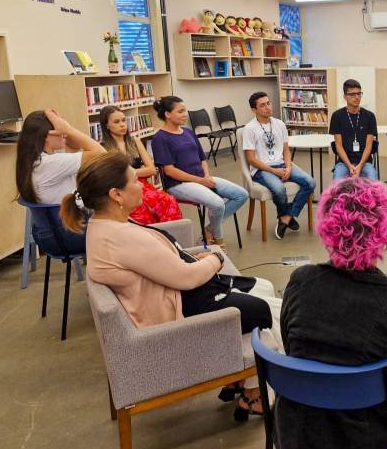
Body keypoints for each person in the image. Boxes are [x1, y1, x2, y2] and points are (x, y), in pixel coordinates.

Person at [63, 152, 282, 420]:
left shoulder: (105, 224)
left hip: (172, 294)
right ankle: (265, 389)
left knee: (263, 289)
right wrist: (215, 258)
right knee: (265, 310)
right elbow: (187, 279)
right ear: (116, 195)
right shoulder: (120, 237)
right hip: (181, 309)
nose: (144, 183)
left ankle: (247, 384)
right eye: (134, 180)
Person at [276, 178, 387, 449]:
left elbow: (291, 347)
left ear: (327, 226)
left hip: (295, 435)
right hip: (364, 441)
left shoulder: (300, 282)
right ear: (383, 231)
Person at [150, 96, 248, 246]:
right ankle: (217, 240)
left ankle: (209, 229)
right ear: (167, 115)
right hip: (178, 184)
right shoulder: (160, 138)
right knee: (217, 203)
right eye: (180, 111)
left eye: (185, 110)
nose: (185, 114)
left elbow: (202, 158)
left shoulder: (188, 132)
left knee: (241, 195)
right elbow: (169, 171)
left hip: (202, 178)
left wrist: (206, 176)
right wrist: (201, 181)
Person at [15, 109, 106, 255]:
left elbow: (75, 149)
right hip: (71, 235)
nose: (64, 133)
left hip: (52, 234)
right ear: (47, 135)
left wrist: (64, 131)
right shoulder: (49, 163)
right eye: (60, 128)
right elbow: (102, 155)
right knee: (125, 223)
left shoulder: (35, 161)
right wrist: (68, 130)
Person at [243, 91, 315, 240]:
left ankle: (286, 217)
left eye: (268, 103)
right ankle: (287, 216)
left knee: (310, 182)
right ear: (254, 110)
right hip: (262, 169)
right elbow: (251, 159)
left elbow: (286, 150)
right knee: (279, 189)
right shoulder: (249, 129)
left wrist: (288, 167)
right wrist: (274, 171)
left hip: (282, 164)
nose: (267, 107)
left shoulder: (279, 124)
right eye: (262, 105)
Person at [98, 105, 182, 225]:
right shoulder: (103, 148)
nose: (122, 124)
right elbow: (110, 177)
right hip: (123, 189)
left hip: (142, 185)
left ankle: (170, 239)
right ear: (106, 125)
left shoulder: (135, 142)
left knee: (169, 200)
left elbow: (152, 170)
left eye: (123, 120)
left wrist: (130, 172)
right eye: (116, 122)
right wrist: (138, 171)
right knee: (141, 212)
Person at [329, 79, 379, 180]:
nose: (356, 97)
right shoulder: (337, 116)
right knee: (337, 180)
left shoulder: (370, 116)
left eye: (359, 94)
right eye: (352, 94)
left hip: (364, 163)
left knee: (373, 179)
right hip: (344, 163)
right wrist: (349, 165)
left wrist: (359, 166)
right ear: (345, 97)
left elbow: (369, 146)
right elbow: (338, 146)